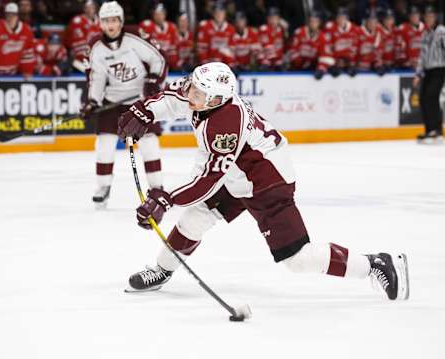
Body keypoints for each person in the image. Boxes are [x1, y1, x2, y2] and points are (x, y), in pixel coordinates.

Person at [116, 61, 410, 301]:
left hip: (267, 181)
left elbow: (208, 177)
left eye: (199, 95)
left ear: (217, 100)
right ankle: (162, 269)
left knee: (298, 259)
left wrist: (166, 199)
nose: (191, 95)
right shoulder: (201, 91)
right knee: (195, 218)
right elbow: (172, 98)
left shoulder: (224, 123)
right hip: (235, 172)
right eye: (193, 87)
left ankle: (376, 263)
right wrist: (144, 110)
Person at [80, 1, 167, 208]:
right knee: (104, 144)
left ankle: (157, 188)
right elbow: (97, 77)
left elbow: (159, 60)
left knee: (148, 142)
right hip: (113, 101)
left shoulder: (135, 37)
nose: (110, 25)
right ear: (100, 23)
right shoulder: (96, 47)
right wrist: (93, 100)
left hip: (139, 100)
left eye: (114, 20)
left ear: (120, 21)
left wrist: (153, 81)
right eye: (106, 21)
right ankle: (103, 186)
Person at [414, 6, 445, 144]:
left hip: (440, 69)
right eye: (426, 16)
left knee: (432, 96)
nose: (428, 18)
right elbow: (422, 55)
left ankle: (437, 130)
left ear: (436, 17)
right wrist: (418, 74)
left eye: (431, 16)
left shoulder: (442, 31)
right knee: (423, 98)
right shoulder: (425, 34)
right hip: (427, 70)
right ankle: (429, 130)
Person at [289, 11, 334, 79]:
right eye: (311, 21)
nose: (313, 24)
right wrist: (300, 63)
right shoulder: (299, 32)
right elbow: (293, 50)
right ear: (308, 22)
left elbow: (325, 56)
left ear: (319, 23)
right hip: (297, 68)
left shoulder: (323, 37)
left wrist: (321, 69)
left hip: (313, 68)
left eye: (316, 21)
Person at [139, 3, 179, 70]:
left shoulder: (172, 27)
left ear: (165, 14)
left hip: (168, 62)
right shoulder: (147, 26)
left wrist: (173, 64)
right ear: (153, 15)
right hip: (153, 62)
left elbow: (173, 49)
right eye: (156, 14)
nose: (159, 16)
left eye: (161, 14)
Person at [65, 0, 101, 71]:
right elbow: (78, 47)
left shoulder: (101, 22)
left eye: (92, 8)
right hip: (79, 61)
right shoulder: (77, 21)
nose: (89, 10)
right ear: (84, 9)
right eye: (87, 8)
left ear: (95, 9)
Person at [196, 2, 236, 67]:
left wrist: (229, 65)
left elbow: (232, 50)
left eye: (221, 12)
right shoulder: (205, 26)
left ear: (225, 14)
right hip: (209, 65)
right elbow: (201, 50)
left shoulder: (231, 28)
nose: (219, 15)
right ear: (213, 14)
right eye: (217, 12)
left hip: (225, 65)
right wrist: (206, 66)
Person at [324, 7, 359, 77]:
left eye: (343, 17)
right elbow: (327, 48)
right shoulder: (330, 27)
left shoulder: (355, 29)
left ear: (347, 18)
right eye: (338, 17)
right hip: (335, 62)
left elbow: (356, 48)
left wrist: (351, 62)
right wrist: (335, 62)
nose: (340, 19)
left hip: (348, 62)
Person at [356, 10, 385, 75]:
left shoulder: (379, 32)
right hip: (359, 69)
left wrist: (378, 65)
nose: (372, 24)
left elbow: (378, 51)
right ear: (366, 21)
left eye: (374, 21)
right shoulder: (358, 31)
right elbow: (353, 51)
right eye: (370, 21)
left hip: (372, 69)